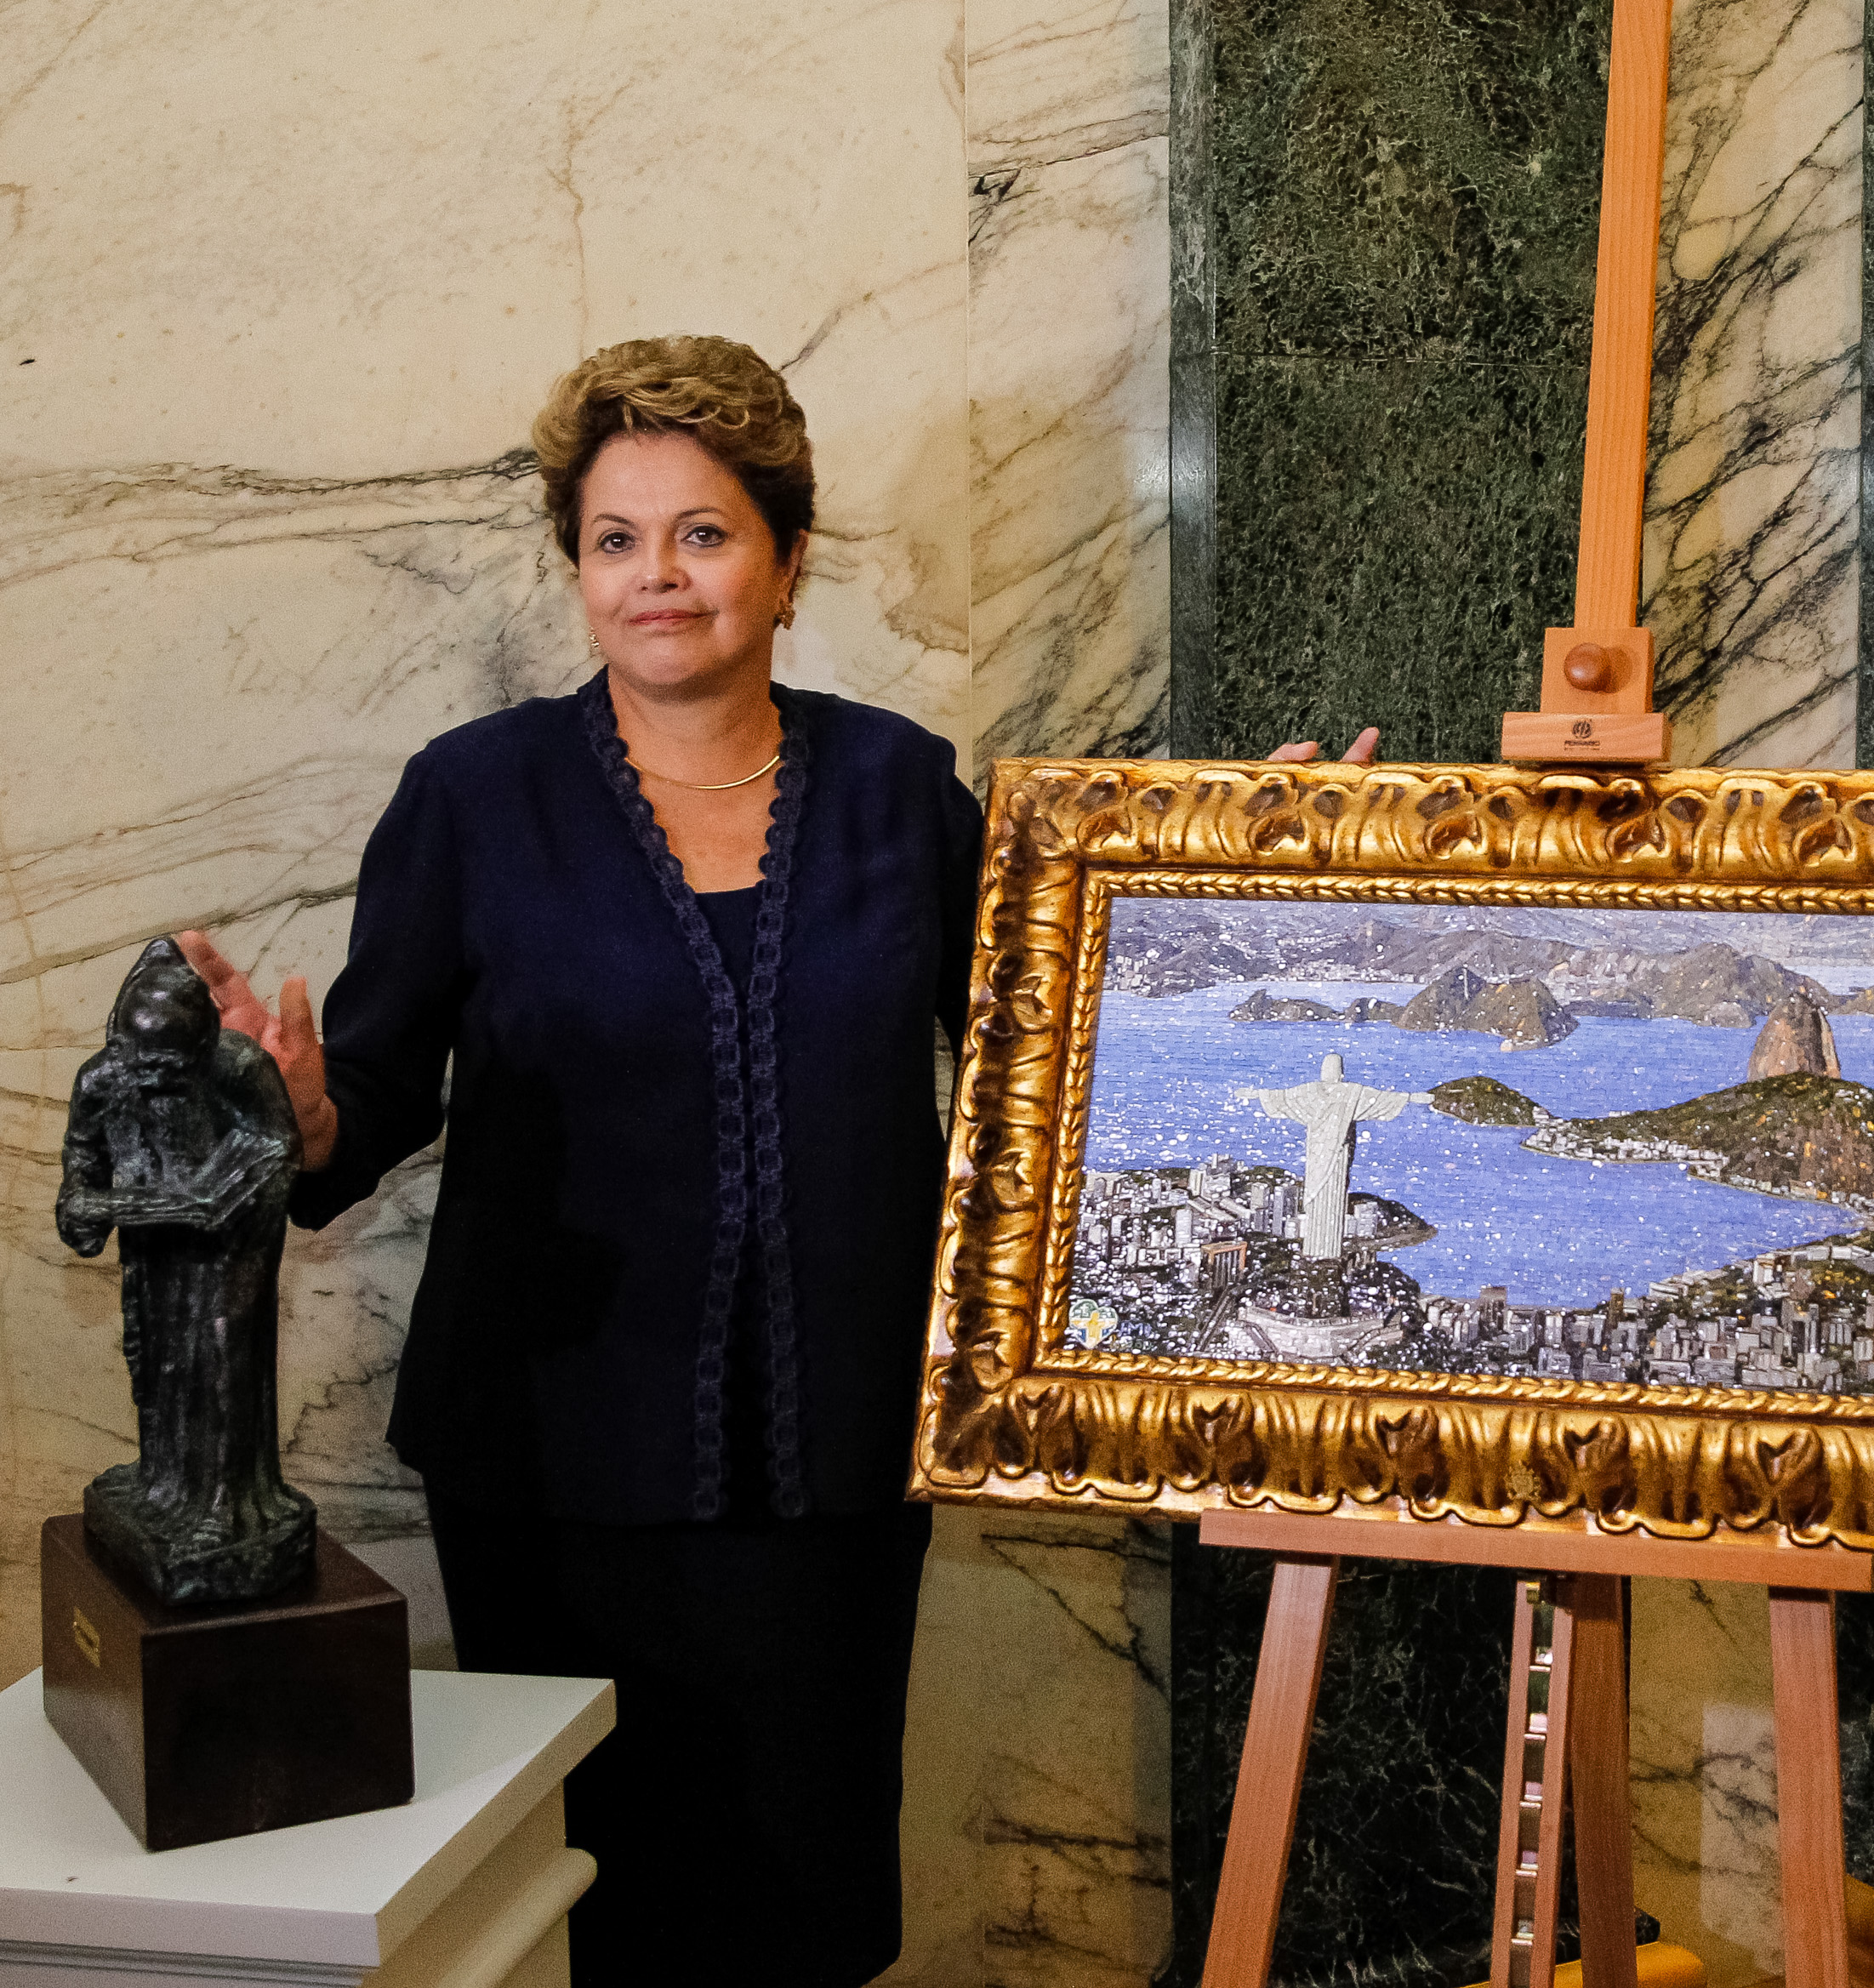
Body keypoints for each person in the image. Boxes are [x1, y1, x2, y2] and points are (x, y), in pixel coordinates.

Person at [179, 333, 1366, 1985]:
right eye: (615, 538)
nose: (656, 574)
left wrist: (1222, 882)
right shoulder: (475, 796)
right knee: (581, 1911)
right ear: (576, 568)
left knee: (799, 1904)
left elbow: (1061, 1030)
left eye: (703, 532)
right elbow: (369, 1091)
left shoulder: (897, 787)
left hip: (835, 1469)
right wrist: (300, 1109)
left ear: (789, 558)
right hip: (550, 1464)